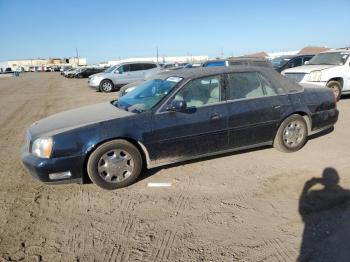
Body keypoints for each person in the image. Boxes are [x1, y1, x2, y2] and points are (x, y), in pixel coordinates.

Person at [298, 168, 350, 262]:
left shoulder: (314, 195)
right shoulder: (347, 194)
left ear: (324, 181)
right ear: (337, 179)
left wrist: (307, 187)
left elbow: (303, 210)